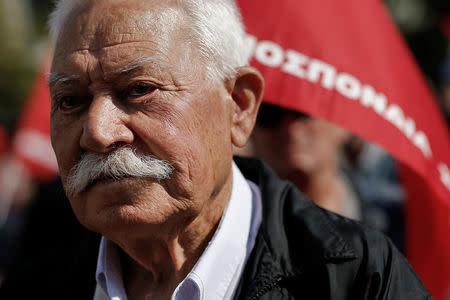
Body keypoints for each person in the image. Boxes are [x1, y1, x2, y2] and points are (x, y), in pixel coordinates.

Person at [0, 0, 431, 299]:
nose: (97, 131)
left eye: (138, 90)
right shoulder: (35, 282)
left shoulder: (356, 278)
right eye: (70, 100)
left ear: (239, 106)